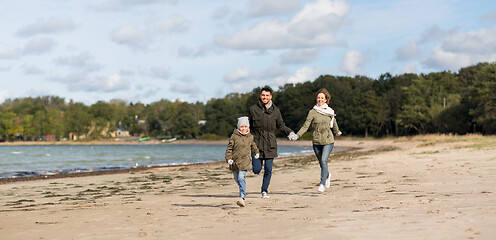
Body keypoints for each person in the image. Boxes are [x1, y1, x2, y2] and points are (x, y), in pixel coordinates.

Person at [290, 88, 342, 192]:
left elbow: (334, 122)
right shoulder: (312, 112)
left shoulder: (330, 111)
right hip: (316, 141)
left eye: (322, 98)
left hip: (328, 140)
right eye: (318, 97)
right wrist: (297, 135)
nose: (320, 99)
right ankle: (327, 175)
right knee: (321, 162)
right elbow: (305, 126)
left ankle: (322, 183)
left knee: (323, 160)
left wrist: (337, 132)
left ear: (326, 99)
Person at [249, 86, 297, 198]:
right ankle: (257, 172)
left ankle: (264, 191)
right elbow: (248, 126)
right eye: (263, 95)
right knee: (256, 170)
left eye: (267, 95)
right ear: (260, 96)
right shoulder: (253, 109)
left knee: (268, 169)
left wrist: (290, 133)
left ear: (270, 97)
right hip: (256, 144)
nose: (265, 97)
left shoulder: (276, 110)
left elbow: (281, 125)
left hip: (271, 144)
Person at [225, 116, 260, 207]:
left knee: (241, 178)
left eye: (245, 127)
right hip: (235, 162)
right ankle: (242, 189)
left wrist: (256, 153)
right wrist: (228, 159)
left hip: (245, 162)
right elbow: (229, 149)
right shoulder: (234, 136)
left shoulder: (250, 137)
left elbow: (253, 146)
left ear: (248, 127)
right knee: (237, 179)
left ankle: (242, 198)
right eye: (242, 127)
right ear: (238, 127)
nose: (244, 129)